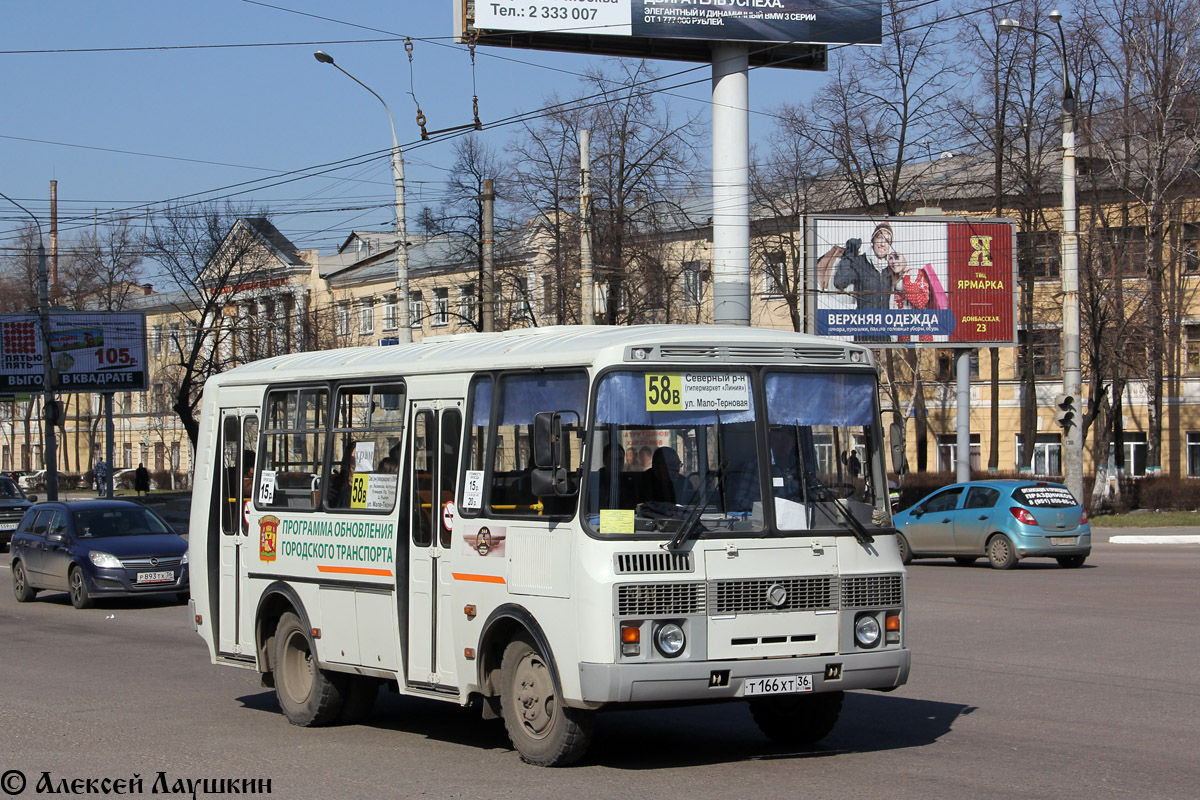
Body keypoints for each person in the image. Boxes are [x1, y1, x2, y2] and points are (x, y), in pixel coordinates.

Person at [832, 221, 897, 343]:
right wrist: (849, 255)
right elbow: (840, 282)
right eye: (880, 238)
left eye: (887, 241)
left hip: (884, 332)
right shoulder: (860, 262)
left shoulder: (891, 267)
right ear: (873, 240)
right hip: (864, 333)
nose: (883, 244)